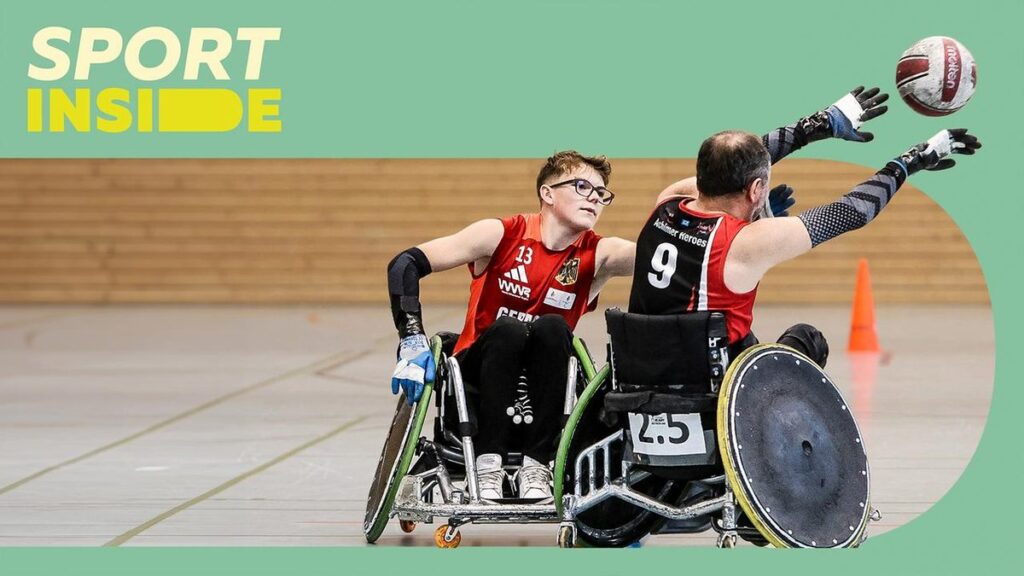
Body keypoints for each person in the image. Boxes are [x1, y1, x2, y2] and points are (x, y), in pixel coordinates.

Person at [627, 87, 981, 363]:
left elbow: (734, 164)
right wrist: (907, 163)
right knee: (806, 340)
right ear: (756, 189)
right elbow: (850, 212)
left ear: (701, 175)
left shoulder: (667, 202)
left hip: (640, 372)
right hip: (709, 386)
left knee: (742, 339)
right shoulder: (746, 243)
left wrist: (816, 125)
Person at [386, 151, 636, 500]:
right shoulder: (499, 234)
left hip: (544, 389)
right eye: (582, 186)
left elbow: (658, 254)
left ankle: (537, 465)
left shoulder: (601, 254)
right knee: (510, 329)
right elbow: (404, 264)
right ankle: (488, 463)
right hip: (477, 376)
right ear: (547, 193)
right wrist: (411, 337)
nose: (595, 197)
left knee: (552, 328)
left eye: (602, 193)